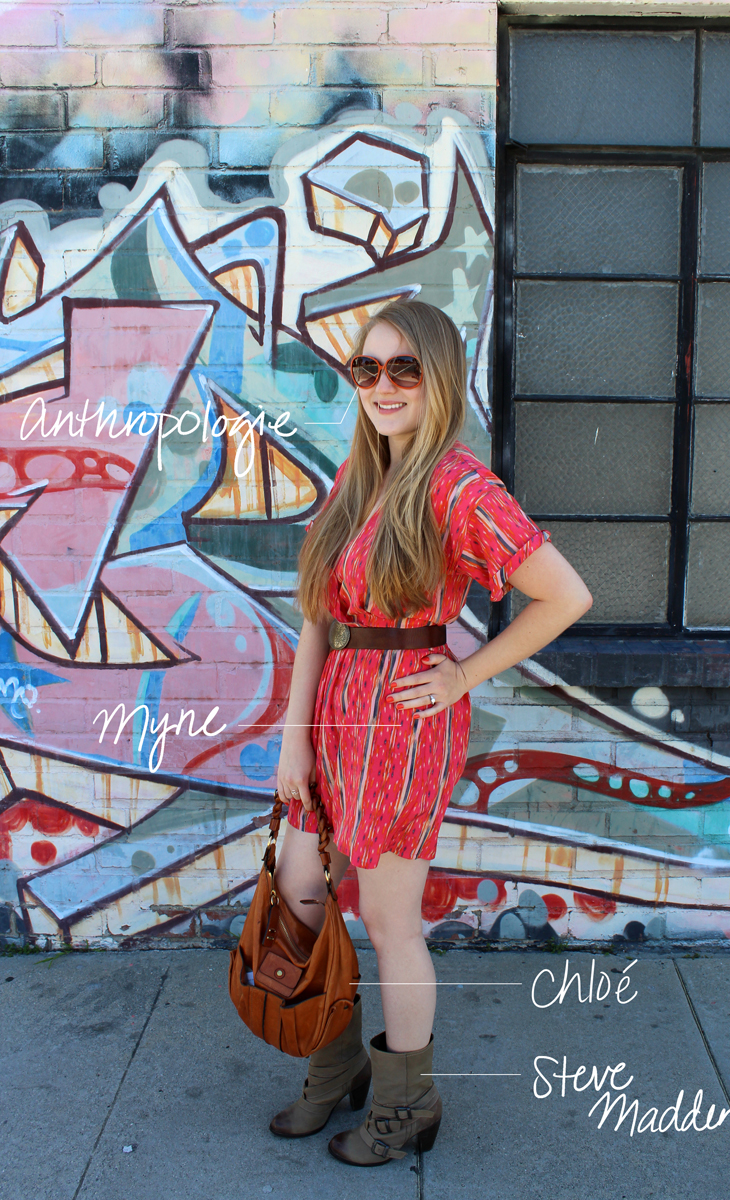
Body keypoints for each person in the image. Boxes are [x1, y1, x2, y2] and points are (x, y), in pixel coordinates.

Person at [270, 299, 592, 1165]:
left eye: (403, 369)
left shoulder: (459, 486)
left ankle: (408, 1102)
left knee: (387, 918)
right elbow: (315, 618)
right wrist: (294, 738)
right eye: (367, 369)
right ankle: (336, 1069)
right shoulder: (357, 477)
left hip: (406, 722)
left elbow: (565, 596)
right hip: (337, 709)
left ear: (439, 378)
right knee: (301, 890)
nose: (382, 386)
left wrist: (461, 674)